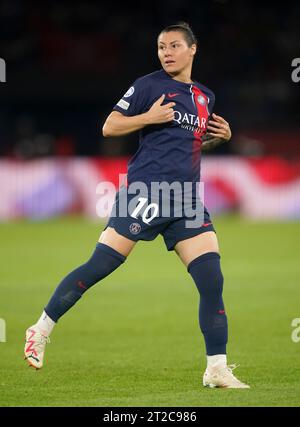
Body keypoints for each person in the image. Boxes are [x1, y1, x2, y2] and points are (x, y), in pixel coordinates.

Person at [24, 22, 249, 389]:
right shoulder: (148, 86)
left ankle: (216, 368)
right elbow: (109, 127)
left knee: (212, 280)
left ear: (193, 50)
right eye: (161, 47)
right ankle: (41, 328)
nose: (167, 53)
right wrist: (148, 117)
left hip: (187, 199)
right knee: (101, 265)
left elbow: (186, 145)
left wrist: (219, 139)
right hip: (147, 191)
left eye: (175, 46)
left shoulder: (204, 96)